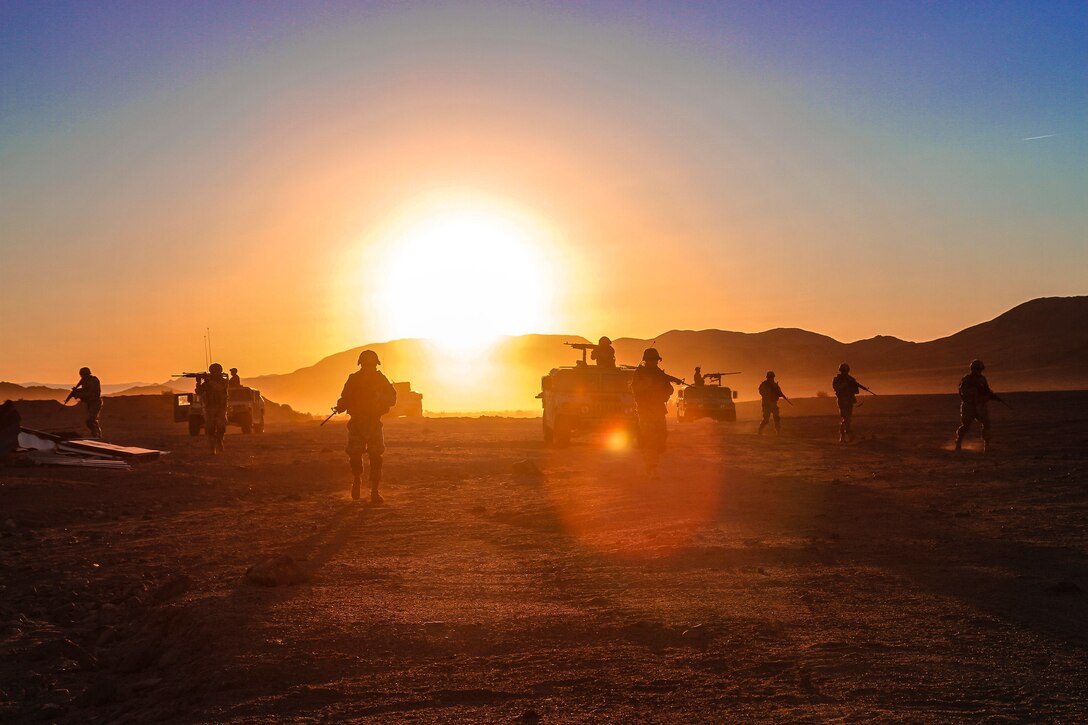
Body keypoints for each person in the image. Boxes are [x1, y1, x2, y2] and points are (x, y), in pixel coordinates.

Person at [336, 349, 396, 502]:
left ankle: (370, 488)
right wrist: (342, 405)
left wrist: (379, 399)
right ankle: (362, 483)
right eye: (367, 365)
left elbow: (392, 397)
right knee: (361, 455)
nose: (369, 368)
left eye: (371, 365)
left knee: (373, 456)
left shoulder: (373, 379)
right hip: (361, 422)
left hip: (369, 422)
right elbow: (344, 398)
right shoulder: (359, 379)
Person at [631, 347, 678, 478]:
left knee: (661, 437)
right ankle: (651, 468)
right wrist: (651, 386)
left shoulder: (659, 374)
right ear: (647, 361)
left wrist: (665, 386)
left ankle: (651, 463)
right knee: (650, 439)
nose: (654, 363)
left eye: (656, 361)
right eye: (652, 361)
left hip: (658, 410)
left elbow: (669, 390)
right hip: (645, 411)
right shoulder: (639, 374)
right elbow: (636, 391)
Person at [955, 359, 1002, 452]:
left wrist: (992, 396)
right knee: (966, 425)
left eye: (980, 369)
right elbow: (963, 392)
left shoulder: (982, 379)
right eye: (977, 369)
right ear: (972, 369)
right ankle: (958, 443)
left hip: (980, 405)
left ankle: (987, 446)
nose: (978, 371)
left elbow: (986, 390)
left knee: (986, 424)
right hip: (969, 406)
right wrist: (973, 394)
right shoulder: (967, 380)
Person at [196, 363, 229, 454]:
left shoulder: (224, 381)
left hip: (221, 408)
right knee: (210, 429)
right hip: (210, 408)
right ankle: (212, 449)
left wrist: (208, 381)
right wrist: (198, 383)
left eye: (215, 372)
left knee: (221, 428)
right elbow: (199, 391)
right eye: (212, 372)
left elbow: (219, 388)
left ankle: (219, 440)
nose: (214, 373)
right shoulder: (207, 383)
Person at [832, 363, 865, 442]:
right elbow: (836, 388)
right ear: (841, 371)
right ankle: (849, 434)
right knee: (845, 417)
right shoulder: (837, 379)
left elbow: (856, 391)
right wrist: (844, 384)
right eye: (843, 371)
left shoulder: (851, 379)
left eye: (846, 371)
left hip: (849, 400)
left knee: (847, 418)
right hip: (842, 400)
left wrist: (853, 385)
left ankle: (842, 436)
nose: (845, 373)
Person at [68, 367, 103, 438]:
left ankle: (96, 436)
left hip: (95, 402)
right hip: (90, 403)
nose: (82, 377)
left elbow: (88, 393)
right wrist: (77, 391)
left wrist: (77, 394)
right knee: (92, 421)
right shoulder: (86, 380)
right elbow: (85, 390)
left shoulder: (93, 381)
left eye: (83, 375)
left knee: (90, 421)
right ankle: (97, 435)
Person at [757, 371, 788, 436]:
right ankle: (760, 431)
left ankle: (778, 433)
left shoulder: (775, 385)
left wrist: (780, 393)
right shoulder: (764, 385)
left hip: (773, 403)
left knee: (776, 418)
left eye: (772, 377)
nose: (771, 378)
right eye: (770, 377)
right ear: (768, 377)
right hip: (766, 404)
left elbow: (779, 393)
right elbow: (762, 392)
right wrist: (770, 390)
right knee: (766, 419)